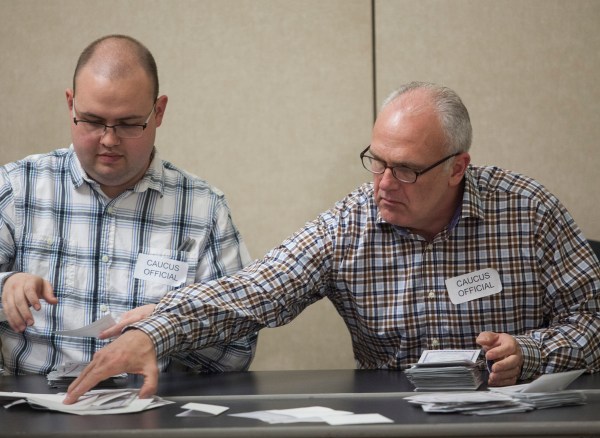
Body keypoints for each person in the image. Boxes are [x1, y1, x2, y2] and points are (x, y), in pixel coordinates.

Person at [65, 81, 600, 402]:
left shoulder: (528, 211)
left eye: (406, 170)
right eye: (377, 162)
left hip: (515, 422)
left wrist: (530, 353)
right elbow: (257, 290)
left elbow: (593, 320)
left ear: (457, 167)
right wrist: (157, 331)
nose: (383, 184)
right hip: (402, 426)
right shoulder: (351, 225)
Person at [0, 34, 256, 375]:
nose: (109, 139)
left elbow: (238, 351)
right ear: (70, 105)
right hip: (32, 399)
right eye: (92, 121)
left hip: (153, 401)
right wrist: (5, 287)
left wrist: (171, 326)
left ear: (158, 112)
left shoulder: (204, 210)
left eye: (128, 124)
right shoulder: (17, 188)